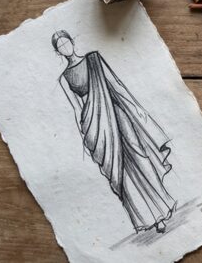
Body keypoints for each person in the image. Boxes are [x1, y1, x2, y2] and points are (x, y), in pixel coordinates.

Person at [53, 30, 175, 233]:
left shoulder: (94, 59)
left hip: (117, 112)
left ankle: (162, 205)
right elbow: (77, 108)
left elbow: (116, 85)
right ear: (58, 52)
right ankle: (149, 218)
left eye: (66, 42)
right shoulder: (64, 78)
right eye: (60, 47)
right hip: (95, 127)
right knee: (120, 170)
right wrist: (85, 135)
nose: (65, 48)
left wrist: (135, 108)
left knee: (138, 153)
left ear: (72, 41)